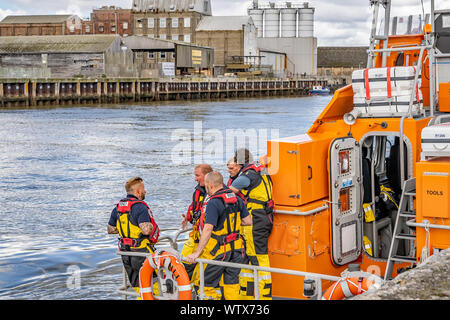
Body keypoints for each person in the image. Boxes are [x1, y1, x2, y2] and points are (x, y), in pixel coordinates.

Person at [185, 171, 252, 300]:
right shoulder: (236, 199)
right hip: (237, 250)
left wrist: (196, 253)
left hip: (218, 251)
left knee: (204, 285)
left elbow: (208, 229)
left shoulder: (213, 202)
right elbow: (248, 221)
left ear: (210, 185)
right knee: (231, 285)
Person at [228, 148, 274, 300]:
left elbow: (228, 192)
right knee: (247, 257)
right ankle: (246, 296)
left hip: (256, 219)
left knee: (259, 258)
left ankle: (264, 297)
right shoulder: (262, 170)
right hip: (265, 216)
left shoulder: (246, 176)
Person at [107, 177, 160, 296]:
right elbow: (146, 231)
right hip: (141, 252)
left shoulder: (118, 208)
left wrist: (126, 230)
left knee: (138, 286)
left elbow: (110, 230)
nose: (145, 191)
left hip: (125, 253)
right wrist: (152, 226)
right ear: (138, 192)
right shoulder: (140, 207)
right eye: (144, 189)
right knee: (154, 286)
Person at [180, 164, 213, 283]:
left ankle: (193, 290)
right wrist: (187, 218)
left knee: (203, 273)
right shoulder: (198, 191)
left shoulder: (215, 194)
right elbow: (194, 207)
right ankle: (184, 289)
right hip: (195, 236)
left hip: (209, 240)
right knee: (183, 262)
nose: (195, 178)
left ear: (207, 176)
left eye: (197, 175)